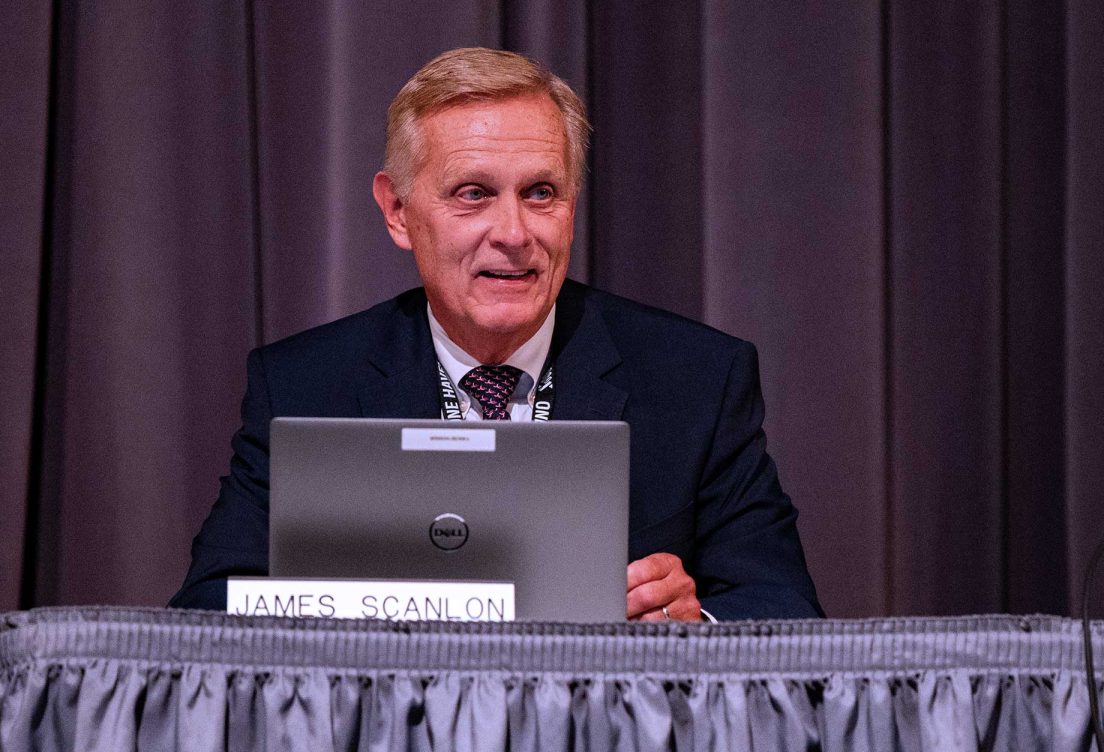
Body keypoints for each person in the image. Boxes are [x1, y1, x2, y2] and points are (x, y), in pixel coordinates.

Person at [171, 47, 822, 621]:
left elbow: (784, 608)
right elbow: (206, 606)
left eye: (541, 192)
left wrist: (692, 624)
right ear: (398, 211)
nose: (513, 233)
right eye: (473, 193)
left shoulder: (698, 379)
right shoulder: (305, 384)